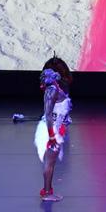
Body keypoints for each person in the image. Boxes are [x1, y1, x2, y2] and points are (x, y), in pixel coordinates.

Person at [34, 68, 72, 201]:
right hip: (51, 130)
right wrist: (51, 136)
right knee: (49, 162)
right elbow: (49, 114)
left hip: (55, 128)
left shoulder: (55, 88)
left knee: (51, 162)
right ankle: (47, 193)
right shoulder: (52, 91)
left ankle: (48, 190)